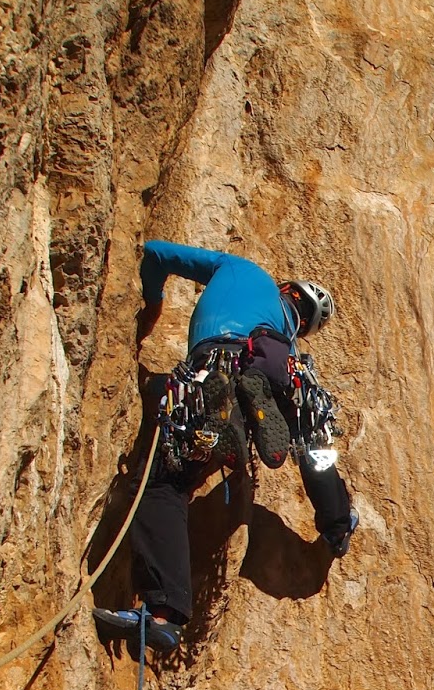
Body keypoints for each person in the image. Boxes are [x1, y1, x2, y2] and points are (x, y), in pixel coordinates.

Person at [94, 240, 356, 653]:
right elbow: (314, 455)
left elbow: (156, 253)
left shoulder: (240, 269)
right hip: (277, 370)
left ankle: (165, 616)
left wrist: (152, 303)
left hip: (210, 364)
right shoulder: (289, 347)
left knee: (165, 484)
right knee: (310, 438)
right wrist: (336, 526)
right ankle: (337, 520)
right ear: (303, 324)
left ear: (287, 289)